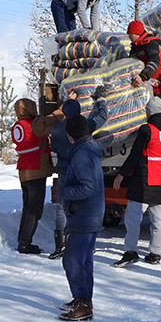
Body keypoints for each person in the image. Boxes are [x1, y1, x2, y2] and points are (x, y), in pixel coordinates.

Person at [112, 97, 161, 267]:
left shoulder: (147, 130)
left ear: (151, 112)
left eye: (147, 110)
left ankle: (130, 252)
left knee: (133, 218)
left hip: (144, 179)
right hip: (160, 178)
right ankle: (155, 253)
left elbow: (135, 154)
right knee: (157, 220)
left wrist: (121, 174)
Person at [49, 91, 107, 260]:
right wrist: (101, 102)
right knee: (83, 205)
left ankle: (60, 245)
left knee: (61, 207)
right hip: (80, 170)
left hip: (63, 171)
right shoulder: (85, 124)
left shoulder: (57, 128)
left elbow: (54, 148)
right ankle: (86, 243)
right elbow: (103, 118)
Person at [58, 115, 105, 321]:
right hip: (89, 213)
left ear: (70, 136)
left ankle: (83, 304)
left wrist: (66, 193)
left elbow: (88, 186)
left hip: (85, 214)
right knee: (83, 260)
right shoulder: (89, 148)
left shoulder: (82, 154)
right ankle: (83, 299)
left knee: (73, 260)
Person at [12, 98, 65, 254]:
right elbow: (52, 119)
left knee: (28, 208)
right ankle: (24, 244)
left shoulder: (17, 126)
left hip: (24, 172)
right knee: (34, 210)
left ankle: (23, 241)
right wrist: (64, 107)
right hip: (35, 171)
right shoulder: (33, 124)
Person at [127, 20, 161, 104]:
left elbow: (154, 61)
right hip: (149, 85)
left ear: (136, 33)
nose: (129, 36)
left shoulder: (150, 43)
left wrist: (143, 76)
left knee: (156, 112)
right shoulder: (135, 47)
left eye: (130, 34)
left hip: (160, 85)